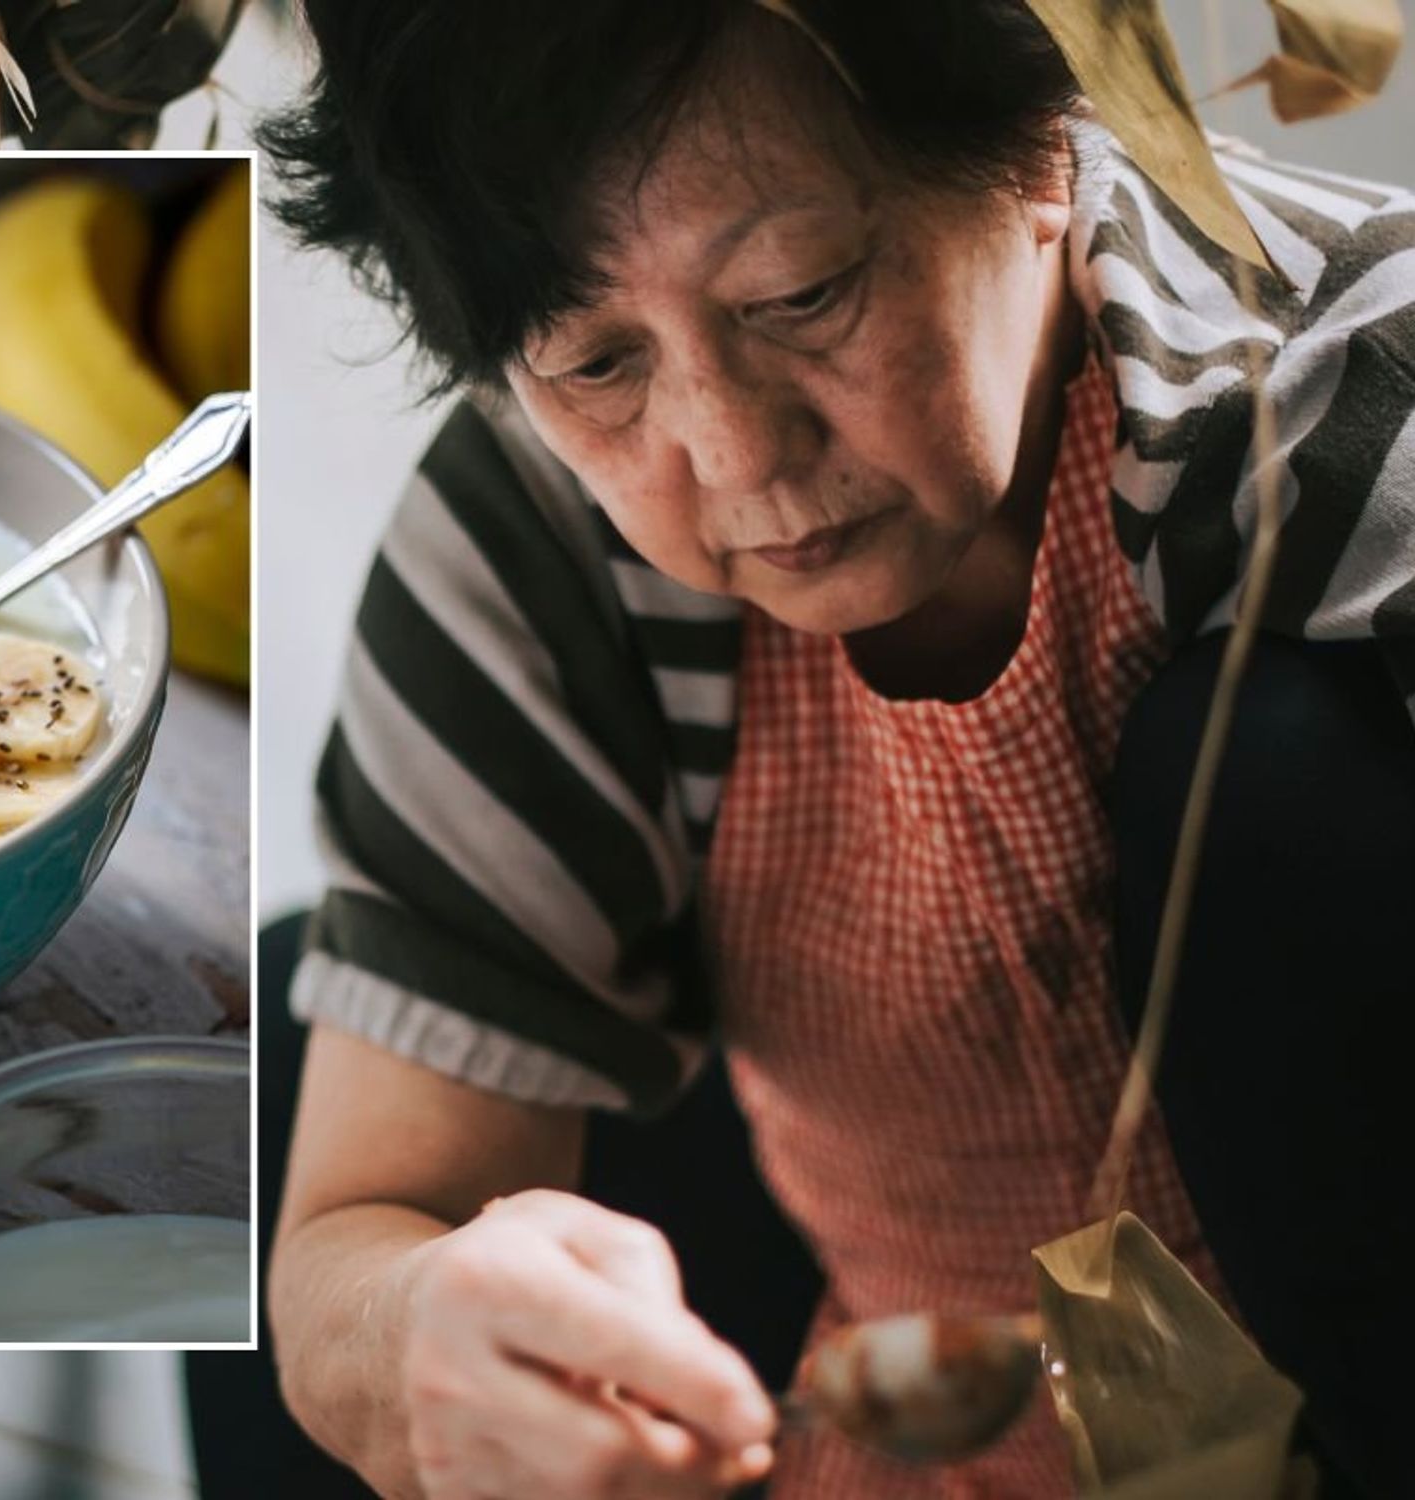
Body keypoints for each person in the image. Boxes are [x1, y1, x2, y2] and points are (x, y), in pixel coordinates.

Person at [258, 2, 1415, 1496]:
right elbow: (354, 1244)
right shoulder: (542, 541)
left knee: (1268, 772)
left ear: (1036, 149)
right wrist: (416, 1333)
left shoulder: (1346, 405)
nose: (739, 458)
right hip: (890, 1415)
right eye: (593, 362)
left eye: (801, 294)